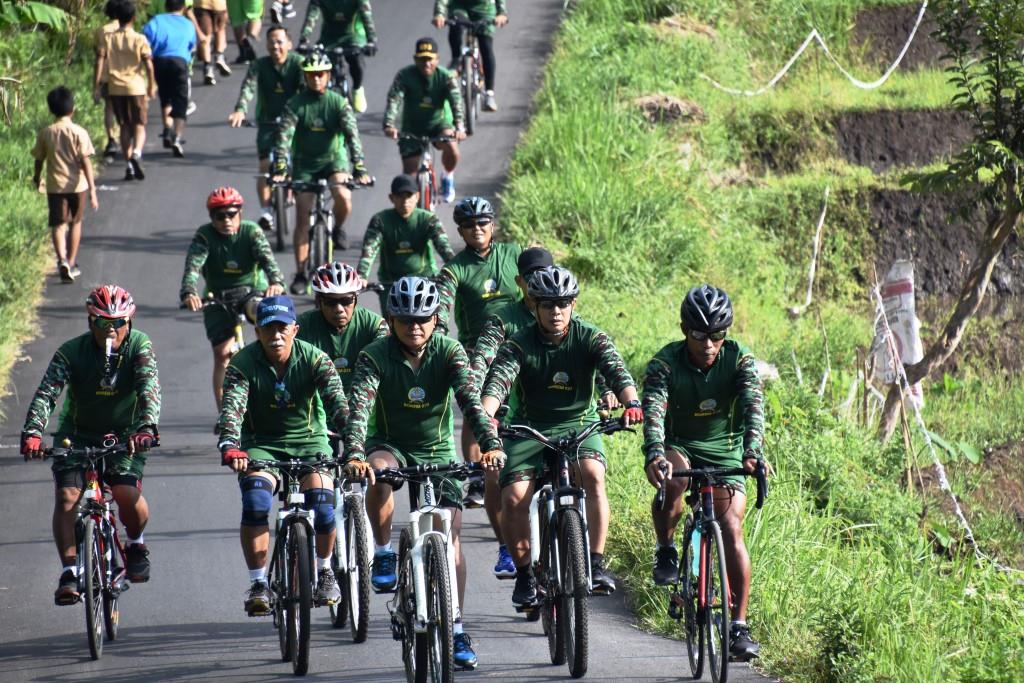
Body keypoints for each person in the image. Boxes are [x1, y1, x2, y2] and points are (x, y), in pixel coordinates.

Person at [342, 276, 506, 670]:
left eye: (423, 319)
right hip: (389, 444)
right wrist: (353, 452)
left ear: (436, 320)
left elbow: (471, 402)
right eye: (406, 319)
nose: (415, 326)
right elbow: (359, 408)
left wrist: (490, 444)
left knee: (451, 543)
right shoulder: (374, 355)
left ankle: (457, 627)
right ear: (392, 319)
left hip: (437, 450)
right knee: (379, 473)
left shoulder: (449, 352)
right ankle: (383, 553)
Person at [480, 266, 643, 606]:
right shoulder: (519, 343)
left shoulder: (589, 336)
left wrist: (632, 403)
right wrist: (487, 416)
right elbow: (498, 382)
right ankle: (524, 574)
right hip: (529, 429)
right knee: (513, 499)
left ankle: (595, 564)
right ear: (535, 305)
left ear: (573, 304)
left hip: (579, 424)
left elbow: (616, 370)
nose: (556, 312)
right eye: (548, 305)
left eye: (563, 304)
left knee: (594, 477)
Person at [641, 284, 764, 661]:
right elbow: (654, 412)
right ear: (683, 329)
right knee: (672, 479)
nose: (708, 344)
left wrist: (753, 452)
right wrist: (655, 454)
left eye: (716, 335)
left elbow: (753, 407)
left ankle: (739, 626)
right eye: (698, 334)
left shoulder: (740, 360)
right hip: (682, 447)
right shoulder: (664, 364)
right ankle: (665, 549)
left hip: (726, 449)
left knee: (732, 529)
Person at [21, 285, 160, 604]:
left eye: (119, 322)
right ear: (90, 321)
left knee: (125, 493)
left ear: (130, 321)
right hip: (78, 434)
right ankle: (70, 570)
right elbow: (47, 393)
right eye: (102, 323)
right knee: (68, 496)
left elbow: (149, 387)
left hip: (126, 435)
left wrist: (147, 427)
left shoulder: (139, 345)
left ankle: (136, 542)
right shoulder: (71, 351)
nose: (111, 330)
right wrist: (33, 432)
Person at [217, 296, 350, 614]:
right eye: (268, 329)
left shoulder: (316, 359)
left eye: (282, 328)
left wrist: (356, 442)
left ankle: (325, 570)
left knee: (323, 503)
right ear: (257, 332)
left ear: (295, 329)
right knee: (256, 501)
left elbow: (338, 405)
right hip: (261, 444)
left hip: (310, 442)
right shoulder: (242, 364)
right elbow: (232, 408)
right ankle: (259, 582)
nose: (276, 336)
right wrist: (230, 445)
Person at [466, 246, 550, 577]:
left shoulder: (562, 312)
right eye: (532, 279)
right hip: (509, 412)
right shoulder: (504, 319)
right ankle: (505, 545)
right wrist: (475, 391)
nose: (539, 284)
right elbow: (481, 359)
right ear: (519, 282)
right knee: (493, 474)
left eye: (545, 276)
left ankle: (576, 540)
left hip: (550, 411)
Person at [436, 196, 520, 506]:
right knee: (476, 414)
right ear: (460, 231)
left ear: (493, 224)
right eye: (468, 225)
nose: (477, 229)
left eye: (482, 222)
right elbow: (441, 313)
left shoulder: (513, 253)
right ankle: (476, 477)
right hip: (478, 353)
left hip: (520, 346)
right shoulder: (454, 269)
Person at [272, 49, 371, 294]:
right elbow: (284, 136)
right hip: (305, 163)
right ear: (305, 77)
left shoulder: (338, 102)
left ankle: (337, 228)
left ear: (328, 76)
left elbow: (352, 136)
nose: (316, 79)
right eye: (311, 75)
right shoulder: (295, 104)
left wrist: (359, 167)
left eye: (320, 74)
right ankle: (301, 273)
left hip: (333, 160)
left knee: (343, 197)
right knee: (303, 217)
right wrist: (282, 168)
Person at [180, 187, 286, 411]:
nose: (226, 220)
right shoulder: (204, 236)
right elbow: (193, 267)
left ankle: (272, 363)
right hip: (218, 297)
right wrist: (189, 292)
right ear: (212, 217)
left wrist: (276, 282)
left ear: (240, 213)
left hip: (251, 291)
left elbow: (268, 261)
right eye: (220, 216)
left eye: (232, 214)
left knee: (262, 313)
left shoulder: (251, 231)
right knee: (222, 355)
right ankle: (224, 414)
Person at [228, 24, 304, 233]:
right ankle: (266, 212)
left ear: (289, 44)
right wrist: (240, 109)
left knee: (298, 165)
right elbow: (249, 87)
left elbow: (307, 91)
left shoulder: (299, 64)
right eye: (271, 42)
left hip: (295, 124)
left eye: (280, 41)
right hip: (268, 123)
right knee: (264, 167)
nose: (275, 46)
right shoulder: (259, 65)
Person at [356, 173, 455, 312]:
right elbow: (369, 249)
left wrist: (455, 271)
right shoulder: (380, 220)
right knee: (390, 327)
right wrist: (361, 276)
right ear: (391, 198)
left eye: (409, 196)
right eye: (400, 196)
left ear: (417, 197)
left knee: (432, 324)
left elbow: (444, 247)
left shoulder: (428, 219)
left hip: (424, 281)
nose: (405, 201)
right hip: (391, 283)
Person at [383, 37, 465, 203]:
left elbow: (456, 101)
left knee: (452, 146)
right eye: (421, 59)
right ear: (415, 59)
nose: (426, 63)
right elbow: (395, 99)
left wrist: (460, 127)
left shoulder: (445, 77)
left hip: (438, 124)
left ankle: (447, 177)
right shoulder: (405, 76)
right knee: (410, 178)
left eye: (429, 59)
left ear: (437, 59)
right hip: (412, 128)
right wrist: (389, 124)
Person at [31, 86, 98, 284]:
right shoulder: (80, 132)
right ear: (72, 109)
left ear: (51, 110)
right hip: (78, 186)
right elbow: (85, 161)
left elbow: (39, 159)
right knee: (75, 222)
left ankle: (61, 259)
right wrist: (93, 189)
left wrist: (37, 177)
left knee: (58, 225)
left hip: (55, 187)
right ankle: (71, 261)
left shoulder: (46, 133)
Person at [297, 261, 388, 394]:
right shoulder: (301, 327)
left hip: (361, 400)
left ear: (355, 299)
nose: (339, 309)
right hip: (318, 405)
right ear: (319, 301)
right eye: (330, 302)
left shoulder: (375, 325)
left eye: (346, 301)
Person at [93, 0, 155, 181]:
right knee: (140, 125)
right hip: (136, 87)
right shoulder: (139, 39)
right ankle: (137, 153)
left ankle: (128, 165)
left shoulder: (109, 38)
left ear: (116, 18)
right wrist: (151, 85)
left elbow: (100, 61)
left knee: (124, 126)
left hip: (115, 88)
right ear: (134, 18)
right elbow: (149, 65)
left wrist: (96, 86)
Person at [299, 0, 377, 113]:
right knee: (317, 64)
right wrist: (304, 40)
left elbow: (366, 16)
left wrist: (372, 40)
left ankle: (357, 88)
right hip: (328, 38)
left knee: (357, 60)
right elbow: (311, 17)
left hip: (352, 37)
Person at [143, 0, 198, 158]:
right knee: (180, 101)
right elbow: (192, 46)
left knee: (165, 97)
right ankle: (177, 137)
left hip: (159, 61)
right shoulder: (188, 24)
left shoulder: (156, 21)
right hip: (180, 63)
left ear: (166, 6)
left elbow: (146, 41)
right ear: (182, 7)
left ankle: (167, 129)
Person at [431, 0, 507, 112]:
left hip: (484, 8)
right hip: (460, 6)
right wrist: (439, 14)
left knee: (486, 46)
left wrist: (501, 13)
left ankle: (489, 94)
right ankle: (456, 59)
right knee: (455, 25)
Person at [93, 0, 122, 160]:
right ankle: (126, 138)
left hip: (107, 76)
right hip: (126, 76)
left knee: (109, 108)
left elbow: (99, 58)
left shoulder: (101, 31)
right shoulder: (128, 29)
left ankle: (111, 139)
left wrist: (96, 85)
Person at [193, 0, 231, 85]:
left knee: (206, 38)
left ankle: (208, 67)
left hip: (201, 4)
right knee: (220, 30)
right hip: (219, 5)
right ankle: (219, 56)